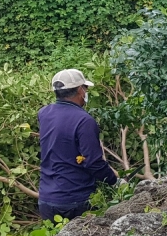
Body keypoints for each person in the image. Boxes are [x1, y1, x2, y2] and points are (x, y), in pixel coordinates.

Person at [38, 69, 117, 220]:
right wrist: (114, 181)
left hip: (46, 200)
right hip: (76, 200)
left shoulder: (44, 113)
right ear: (81, 90)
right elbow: (93, 162)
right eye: (85, 88)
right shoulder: (84, 120)